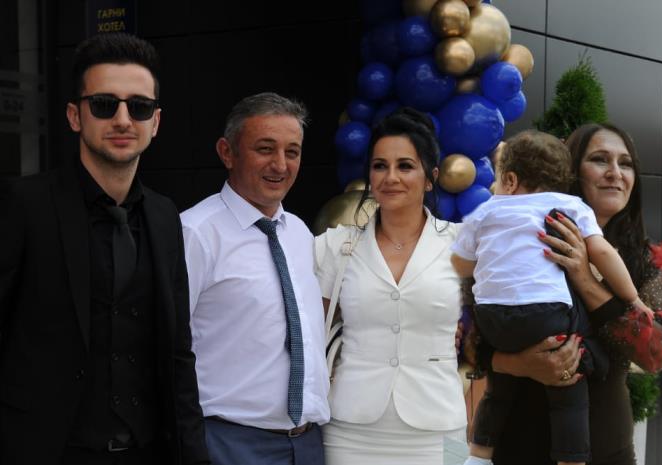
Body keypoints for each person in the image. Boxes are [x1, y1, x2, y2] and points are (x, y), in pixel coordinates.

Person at [0, 33, 208, 465]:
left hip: (147, 453)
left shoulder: (165, 216)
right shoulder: (24, 205)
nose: (123, 119)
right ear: (75, 116)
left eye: (139, 107)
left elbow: (177, 353)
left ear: (156, 122)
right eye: (104, 104)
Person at [467, 122, 662, 465]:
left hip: (607, 451)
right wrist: (518, 365)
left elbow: (658, 352)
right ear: (570, 171)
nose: (615, 173)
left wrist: (584, 278)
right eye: (600, 159)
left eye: (626, 163)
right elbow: (466, 339)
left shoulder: (649, 259)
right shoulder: (513, 239)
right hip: (516, 447)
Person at [181, 92, 330, 465]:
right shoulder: (194, 233)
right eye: (265, 149)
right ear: (227, 152)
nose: (280, 164)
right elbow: (163, 345)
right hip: (228, 444)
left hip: (307, 444)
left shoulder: (299, 232)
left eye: (292, 152)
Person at [315, 107, 467, 465]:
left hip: (441, 427)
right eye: (380, 166)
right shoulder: (335, 245)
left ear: (430, 178)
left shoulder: (462, 244)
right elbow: (308, 332)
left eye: (405, 166)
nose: (391, 177)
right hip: (349, 430)